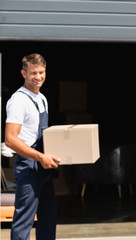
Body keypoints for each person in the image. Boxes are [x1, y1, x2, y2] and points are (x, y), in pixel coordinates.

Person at [5, 53, 60, 240]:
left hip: (43, 165)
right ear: (23, 73)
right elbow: (10, 140)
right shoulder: (18, 101)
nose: (38, 77)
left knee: (48, 216)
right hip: (29, 166)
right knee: (24, 220)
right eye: (33, 73)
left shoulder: (42, 97)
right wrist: (39, 157)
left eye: (41, 72)